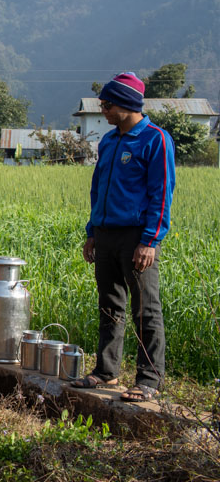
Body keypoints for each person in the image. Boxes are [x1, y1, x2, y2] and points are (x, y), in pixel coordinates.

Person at [73, 72, 175, 402]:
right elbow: (97, 189)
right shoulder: (109, 141)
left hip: (136, 237)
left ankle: (149, 378)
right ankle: (106, 371)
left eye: (107, 104)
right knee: (109, 306)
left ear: (127, 105)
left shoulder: (155, 140)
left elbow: (162, 193)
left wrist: (150, 241)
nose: (103, 110)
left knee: (145, 309)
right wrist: (92, 233)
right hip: (105, 235)